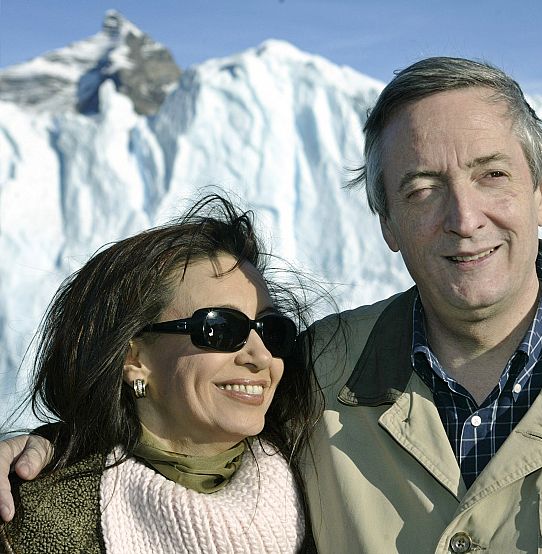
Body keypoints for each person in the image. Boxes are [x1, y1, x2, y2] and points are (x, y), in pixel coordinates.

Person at [2, 58, 542, 553]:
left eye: (492, 174)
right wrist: (45, 450)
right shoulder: (312, 379)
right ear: (385, 221)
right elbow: (179, 431)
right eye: (422, 189)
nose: (463, 217)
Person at [0, 195, 319, 552]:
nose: (261, 356)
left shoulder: (323, 476)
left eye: (272, 330)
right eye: (221, 328)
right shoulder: (40, 521)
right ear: (134, 358)